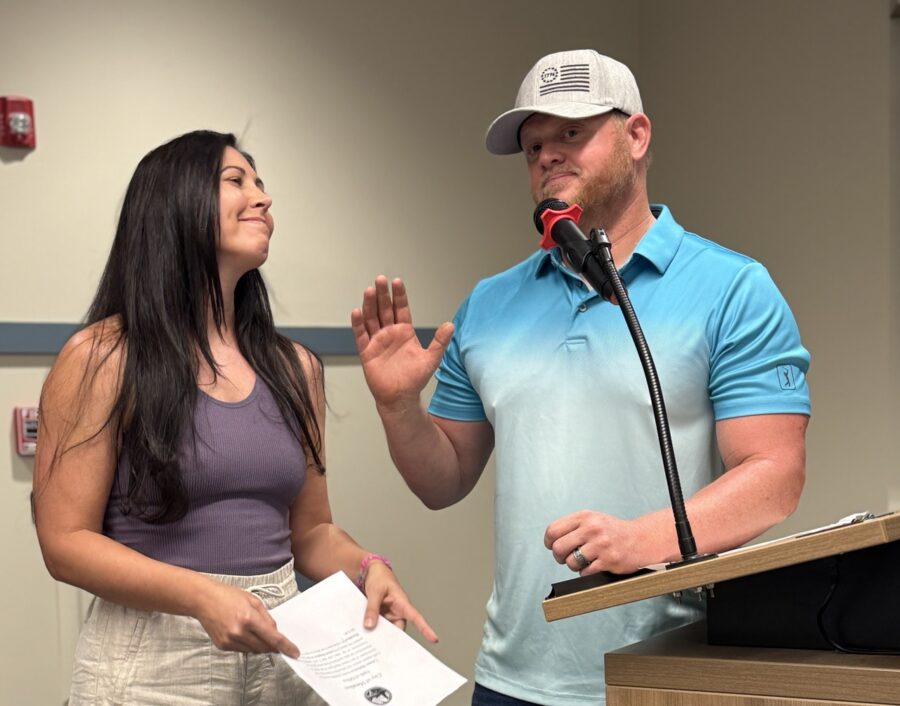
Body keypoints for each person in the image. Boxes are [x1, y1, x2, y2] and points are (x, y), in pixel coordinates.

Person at [351, 49, 810, 706]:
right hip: (511, 678)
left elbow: (775, 479)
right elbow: (442, 480)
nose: (546, 155)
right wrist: (399, 407)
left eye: (572, 133)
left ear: (637, 135)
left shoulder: (732, 288)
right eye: (533, 143)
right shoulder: (488, 304)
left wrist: (640, 538)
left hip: (662, 675)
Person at [33, 130, 436, 706]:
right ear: (176, 204)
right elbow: (64, 541)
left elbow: (313, 533)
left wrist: (367, 567)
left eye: (261, 182)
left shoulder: (294, 366)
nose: (263, 198)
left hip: (282, 652)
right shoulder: (102, 357)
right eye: (236, 181)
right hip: (154, 663)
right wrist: (202, 595)